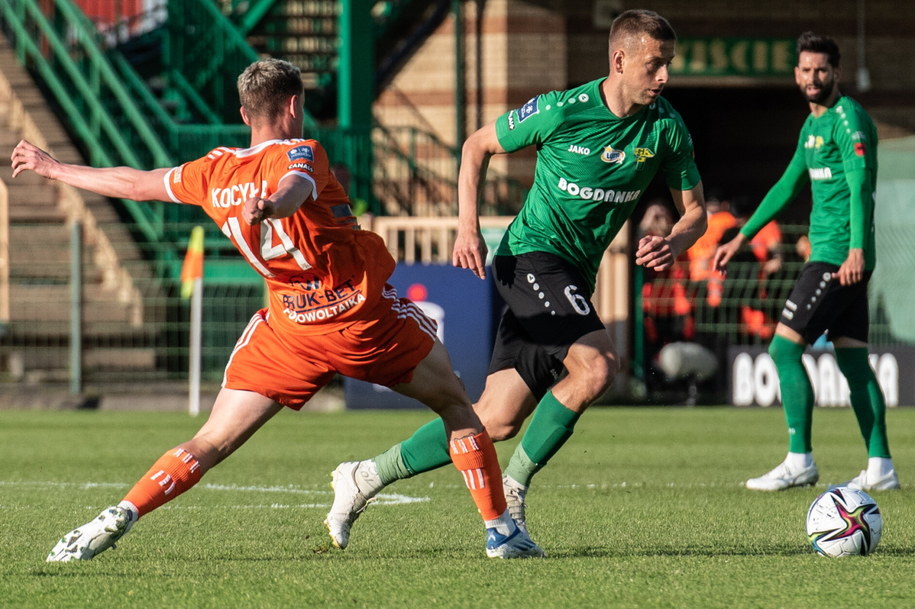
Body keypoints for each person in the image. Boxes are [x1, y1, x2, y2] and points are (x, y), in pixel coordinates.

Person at [12, 58, 541, 561]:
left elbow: (134, 183)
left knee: (211, 440)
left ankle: (123, 510)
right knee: (457, 407)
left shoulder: (212, 171)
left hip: (288, 333)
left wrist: (54, 169)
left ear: (244, 114)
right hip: (361, 323)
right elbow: (295, 186)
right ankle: (500, 531)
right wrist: (271, 205)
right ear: (293, 107)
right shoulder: (301, 150)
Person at [323, 9, 706, 546]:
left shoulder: (666, 128)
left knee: (495, 419)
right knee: (597, 366)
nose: (664, 77)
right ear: (619, 60)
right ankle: (515, 490)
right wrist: (466, 229)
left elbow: (696, 214)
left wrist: (675, 241)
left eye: (668, 65)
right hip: (529, 258)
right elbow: (476, 146)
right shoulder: (561, 110)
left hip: (573, 274)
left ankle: (365, 476)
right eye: (654, 64)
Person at [713, 32, 899, 492]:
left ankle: (800, 460)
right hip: (837, 256)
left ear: (836, 72)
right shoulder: (811, 126)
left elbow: (859, 187)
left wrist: (856, 250)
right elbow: (786, 186)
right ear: (796, 74)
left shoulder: (847, 119)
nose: (814, 78)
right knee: (854, 363)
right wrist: (742, 237)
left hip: (839, 257)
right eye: (806, 70)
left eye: (822, 70)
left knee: (782, 348)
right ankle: (881, 467)